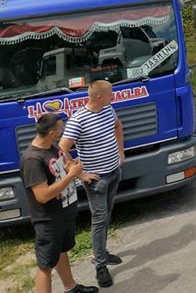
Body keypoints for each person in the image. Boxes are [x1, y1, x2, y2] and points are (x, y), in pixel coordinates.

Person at [21, 113, 97, 293]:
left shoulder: (53, 146)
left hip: (64, 212)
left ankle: (71, 287)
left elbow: (67, 163)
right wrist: (71, 175)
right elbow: (42, 196)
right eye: (61, 129)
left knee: (62, 251)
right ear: (52, 132)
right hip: (48, 220)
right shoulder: (32, 160)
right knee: (45, 265)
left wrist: (78, 172)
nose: (63, 132)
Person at [60, 80, 123, 289]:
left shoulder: (108, 109)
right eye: (110, 94)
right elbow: (61, 150)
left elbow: (117, 125)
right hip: (97, 180)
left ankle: (102, 252)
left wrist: (121, 152)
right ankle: (100, 265)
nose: (113, 97)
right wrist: (80, 174)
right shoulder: (78, 120)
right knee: (99, 219)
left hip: (114, 171)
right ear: (97, 97)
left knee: (108, 213)